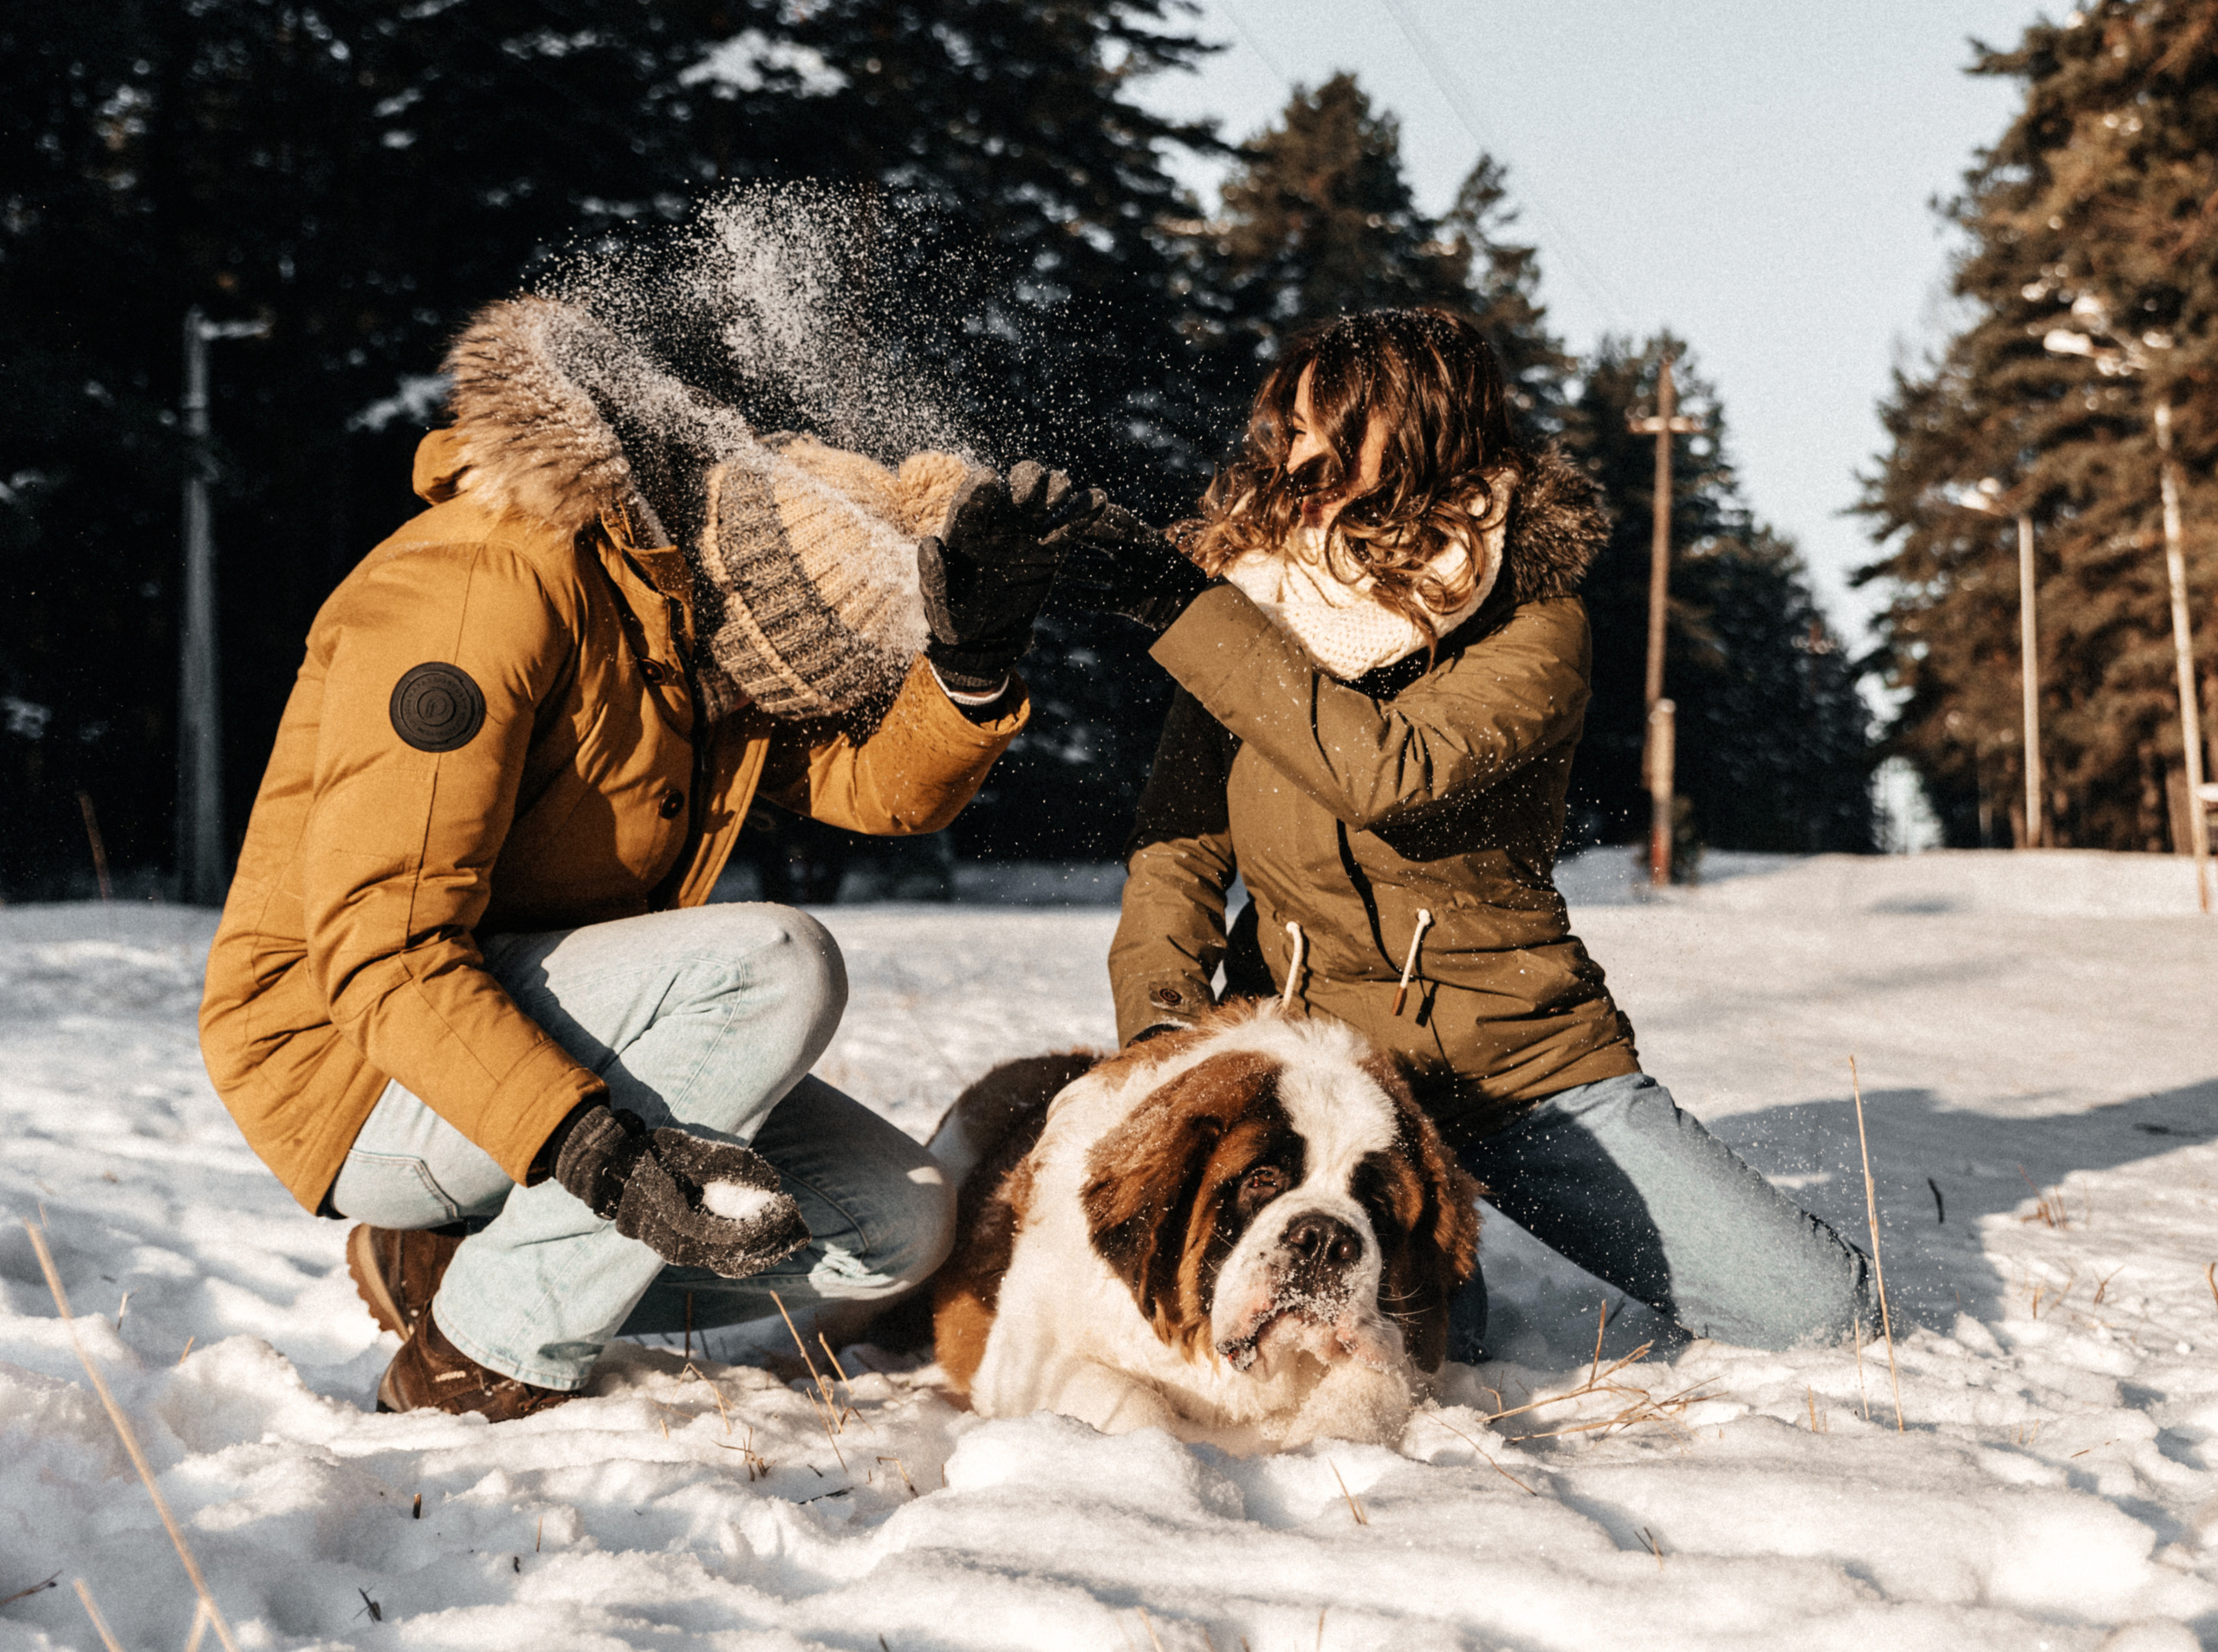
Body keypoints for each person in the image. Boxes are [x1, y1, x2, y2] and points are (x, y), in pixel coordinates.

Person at [199, 296, 1080, 1417]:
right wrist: (594, 1154)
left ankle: (453, 1262)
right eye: (807, 693)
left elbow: (873, 790)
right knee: (777, 957)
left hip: (517, 1024)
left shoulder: (694, 639)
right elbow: (383, 949)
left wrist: (968, 668)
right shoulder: (481, 594)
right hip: (353, 1062)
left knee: (894, 1220)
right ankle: (481, 1349)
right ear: (751, 620)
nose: (802, 723)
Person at [1056, 307, 1875, 1357]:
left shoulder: (1537, 620)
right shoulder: (1249, 608)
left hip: (1518, 1066)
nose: (1297, 456)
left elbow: (1392, 773)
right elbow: (1179, 851)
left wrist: (1184, 610)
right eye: (1290, 429)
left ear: (1425, 432)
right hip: (1323, 1077)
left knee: (1825, 1317)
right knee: (1436, 1345)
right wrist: (1166, 1044)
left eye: (1330, 429)